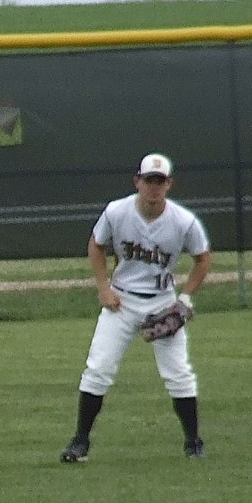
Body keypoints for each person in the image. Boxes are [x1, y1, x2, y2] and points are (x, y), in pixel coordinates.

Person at [60, 152, 212, 462]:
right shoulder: (117, 212)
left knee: (179, 374)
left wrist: (184, 298)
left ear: (169, 184)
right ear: (137, 182)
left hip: (162, 303)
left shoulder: (183, 221)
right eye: (148, 181)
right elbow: (96, 244)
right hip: (121, 301)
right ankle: (80, 442)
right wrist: (103, 288)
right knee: (98, 369)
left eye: (160, 181)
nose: (153, 187)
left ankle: (193, 442)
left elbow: (203, 258)